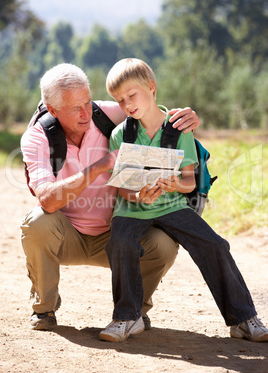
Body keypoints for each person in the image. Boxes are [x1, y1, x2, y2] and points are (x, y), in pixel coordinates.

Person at [20, 62, 200, 331]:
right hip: (66, 236)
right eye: (74, 108)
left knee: (163, 244)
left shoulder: (106, 114)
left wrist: (184, 117)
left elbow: (150, 106)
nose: (85, 113)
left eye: (87, 102)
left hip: (118, 235)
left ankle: (135, 311)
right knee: (36, 223)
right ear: (53, 110)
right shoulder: (37, 138)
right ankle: (44, 308)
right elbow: (47, 200)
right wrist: (99, 167)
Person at [99, 57, 268, 343]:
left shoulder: (179, 131)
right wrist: (139, 194)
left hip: (173, 205)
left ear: (151, 88)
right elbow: (123, 189)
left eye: (132, 95)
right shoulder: (120, 134)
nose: (127, 104)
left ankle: (243, 319)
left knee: (215, 243)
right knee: (120, 241)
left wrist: (175, 184)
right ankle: (127, 317)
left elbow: (189, 181)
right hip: (131, 208)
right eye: (120, 100)